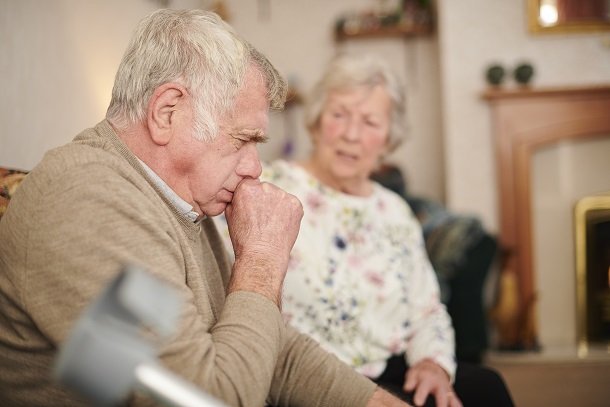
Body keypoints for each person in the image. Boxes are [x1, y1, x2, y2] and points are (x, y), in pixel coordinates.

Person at [0, 10, 408, 407]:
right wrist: (262, 259)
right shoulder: (87, 199)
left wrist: (374, 401)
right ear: (167, 111)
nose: (255, 167)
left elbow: (270, 350)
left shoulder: (178, 198)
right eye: (241, 140)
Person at [217, 53, 514, 407]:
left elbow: (427, 310)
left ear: (389, 139)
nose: (351, 135)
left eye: (371, 122)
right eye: (339, 115)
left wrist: (432, 363)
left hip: (388, 367)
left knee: (484, 387)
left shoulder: (395, 212)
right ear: (316, 122)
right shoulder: (263, 187)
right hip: (306, 374)